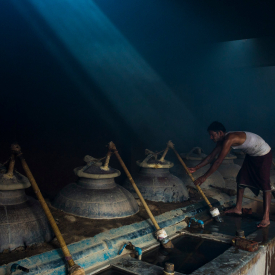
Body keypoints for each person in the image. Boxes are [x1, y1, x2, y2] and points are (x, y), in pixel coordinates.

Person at [188, 121, 272, 228]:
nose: (210, 137)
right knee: (241, 179)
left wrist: (204, 177)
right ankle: (238, 208)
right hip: (252, 155)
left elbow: (218, 161)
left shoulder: (229, 139)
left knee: (265, 185)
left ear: (221, 133)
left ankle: (266, 218)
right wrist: (196, 167)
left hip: (263, 154)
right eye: (210, 135)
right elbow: (211, 156)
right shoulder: (222, 139)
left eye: (212, 135)